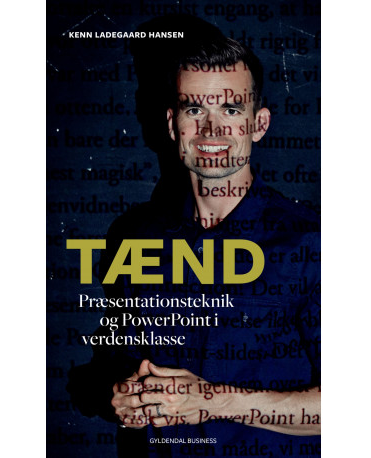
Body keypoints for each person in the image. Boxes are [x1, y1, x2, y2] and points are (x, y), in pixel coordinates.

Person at [68, 27, 320, 458]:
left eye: (230, 109)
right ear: (173, 124)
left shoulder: (312, 242)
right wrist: (119, 393)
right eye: (195, 108)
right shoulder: (137, 236)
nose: (211, 129)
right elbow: (117, 357)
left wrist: (213, 401)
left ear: (259, 124)